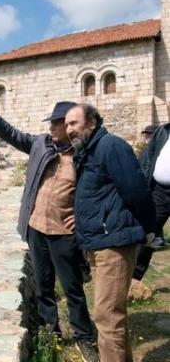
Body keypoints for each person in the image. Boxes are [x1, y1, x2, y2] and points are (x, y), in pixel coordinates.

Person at [0, 92, 97, 361]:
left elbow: (95, 191)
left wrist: (83, 216)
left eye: (55, 124)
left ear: (68, 126)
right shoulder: (40, 144)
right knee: (43, 286)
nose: (50, 128)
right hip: (37, 229)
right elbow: (11, 134)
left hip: (64, 234)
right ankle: (50, 332)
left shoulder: (83, 155)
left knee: (72, 288)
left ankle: (84, 337)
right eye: (50, 123)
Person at [65, 103, 156, 362]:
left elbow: (137, 192)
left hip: (113, 245)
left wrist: (148, 229)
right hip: (98, 243)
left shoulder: (110, 146)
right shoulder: (88, 152)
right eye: (67, 124)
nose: (68, 129)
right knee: (111, 316)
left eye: (74, 123)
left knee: (106, 317)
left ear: (92, 123)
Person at [134, 122, 169, 281]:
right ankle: (135, 277)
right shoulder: (163, 132)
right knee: (148, 233)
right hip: (159, 191)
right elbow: (149, 158)